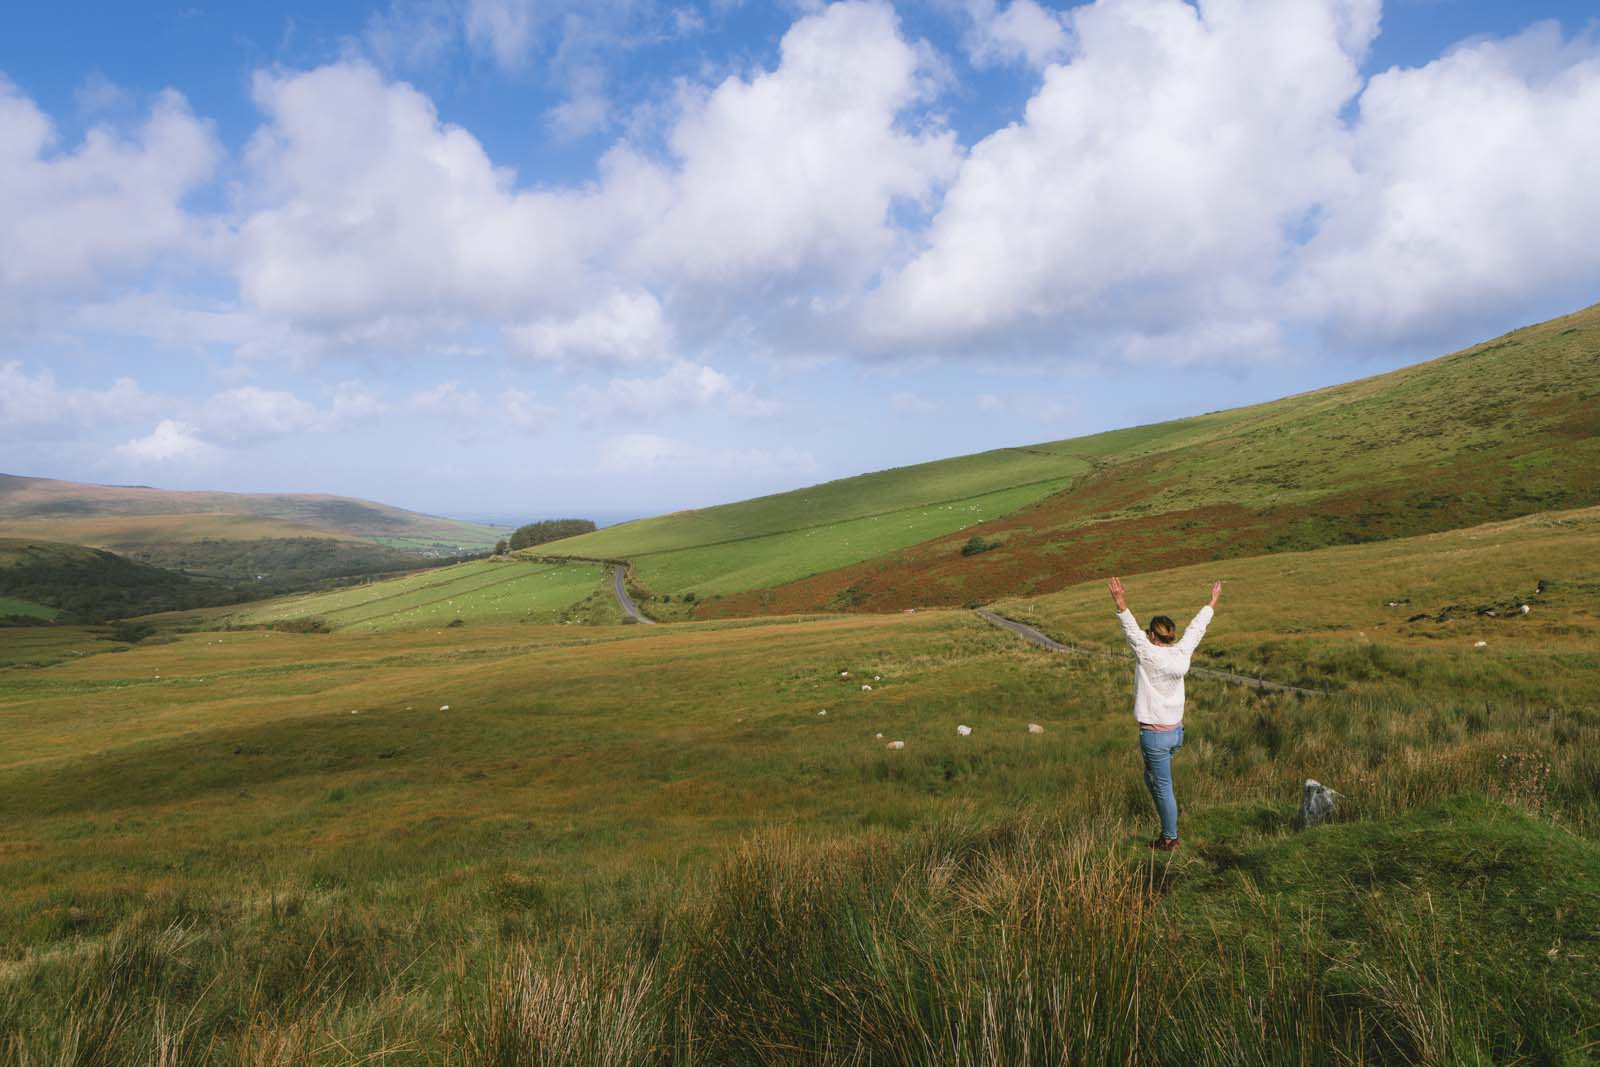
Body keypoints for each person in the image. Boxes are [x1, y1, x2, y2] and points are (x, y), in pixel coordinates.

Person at [1107, 576, 1221, 851]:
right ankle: (1167, 826)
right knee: (1153, 779)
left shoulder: (1148, 654)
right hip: (1175, 733)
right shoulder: (1181, 652)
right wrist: (1212, 603)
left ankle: (1169, 839)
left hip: (1155, 736)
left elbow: (1131, 632)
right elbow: (1196, 630)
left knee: (1162, 787)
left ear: (1153, 636)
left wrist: (1120, 602)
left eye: (1149, 634)